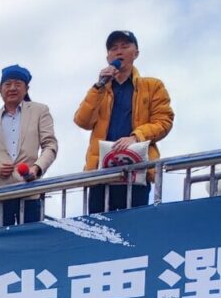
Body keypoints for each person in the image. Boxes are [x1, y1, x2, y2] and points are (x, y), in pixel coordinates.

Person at [74, 30, 173, 213]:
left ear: (136, 53)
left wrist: (136, 137)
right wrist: (98, 86)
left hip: (137, 171)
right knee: (100, 227)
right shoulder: (100, 89)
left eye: (125, 46)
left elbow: (164, 121)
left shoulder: (152, 86)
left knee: (135, 226)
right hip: (101, 173)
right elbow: (82, 121)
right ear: (108, 57)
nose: (119, 52)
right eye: (113, 48)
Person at [0, 64, 58, 228]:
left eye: (18, 84)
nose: (12, 88)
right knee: (2, 242)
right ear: (0, 90)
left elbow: (50, 145)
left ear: (26, 89)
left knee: (33, 239)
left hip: (30, 191)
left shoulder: (40, 111)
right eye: (8, 84)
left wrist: (36, 168)